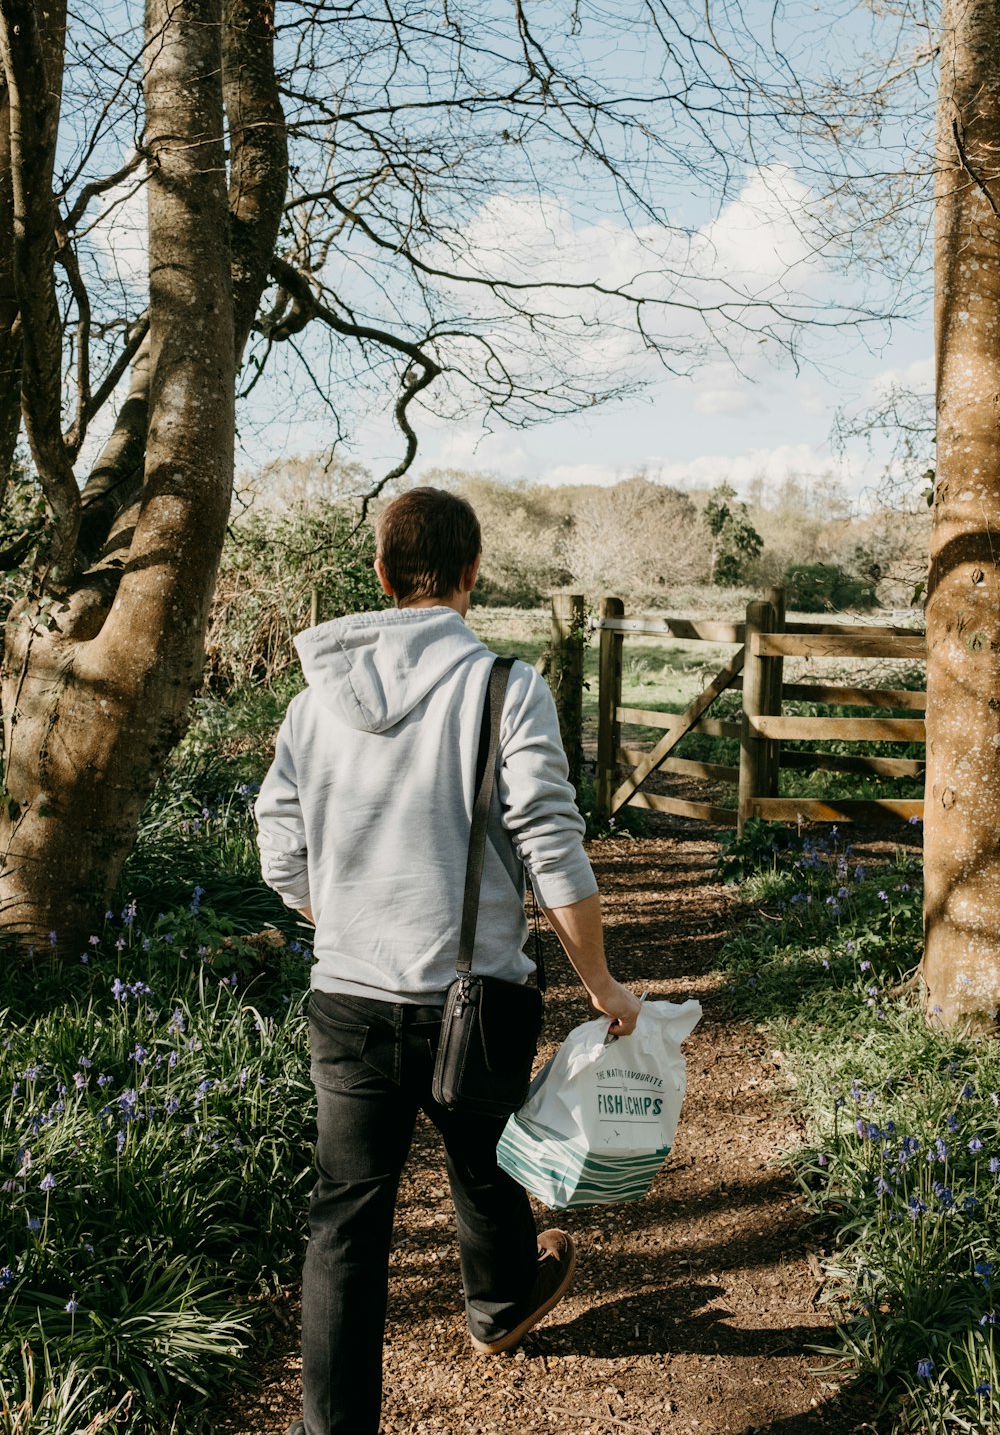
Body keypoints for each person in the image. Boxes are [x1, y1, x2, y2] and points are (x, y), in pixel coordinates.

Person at [255, 486, 641, 1435]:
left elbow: (277, 838)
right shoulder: (506, 687)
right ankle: (500, 1306)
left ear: (382, 577)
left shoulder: (316, 702)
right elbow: (551, 841)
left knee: (346, 1220)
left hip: (346, 997)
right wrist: (601, 983)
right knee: (484, 1158)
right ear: (473, 577)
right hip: (476, 995)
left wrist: (336, 913)